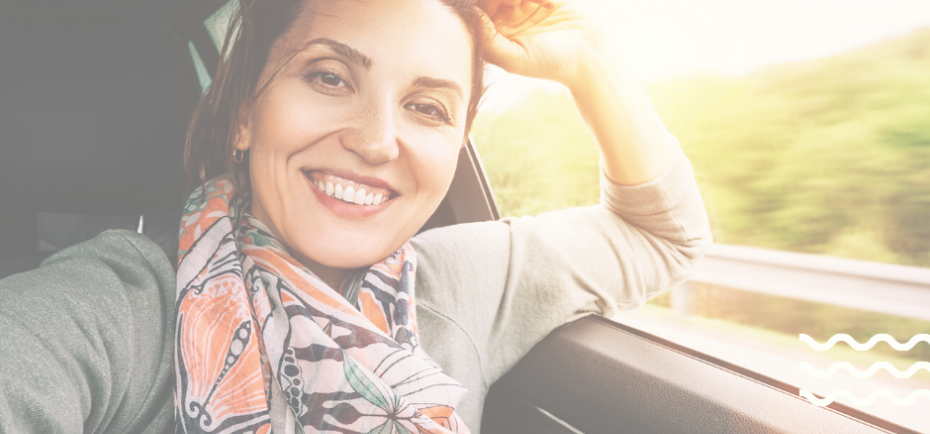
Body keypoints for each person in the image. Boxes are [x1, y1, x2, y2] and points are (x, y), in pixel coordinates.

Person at [0, 0, 710, 432]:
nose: (376, 141)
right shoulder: (123, 309)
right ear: (245, 113)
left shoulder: (459, 284)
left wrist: (593, 60)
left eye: (426, 107)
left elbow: (661, 234)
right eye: (330, 77)